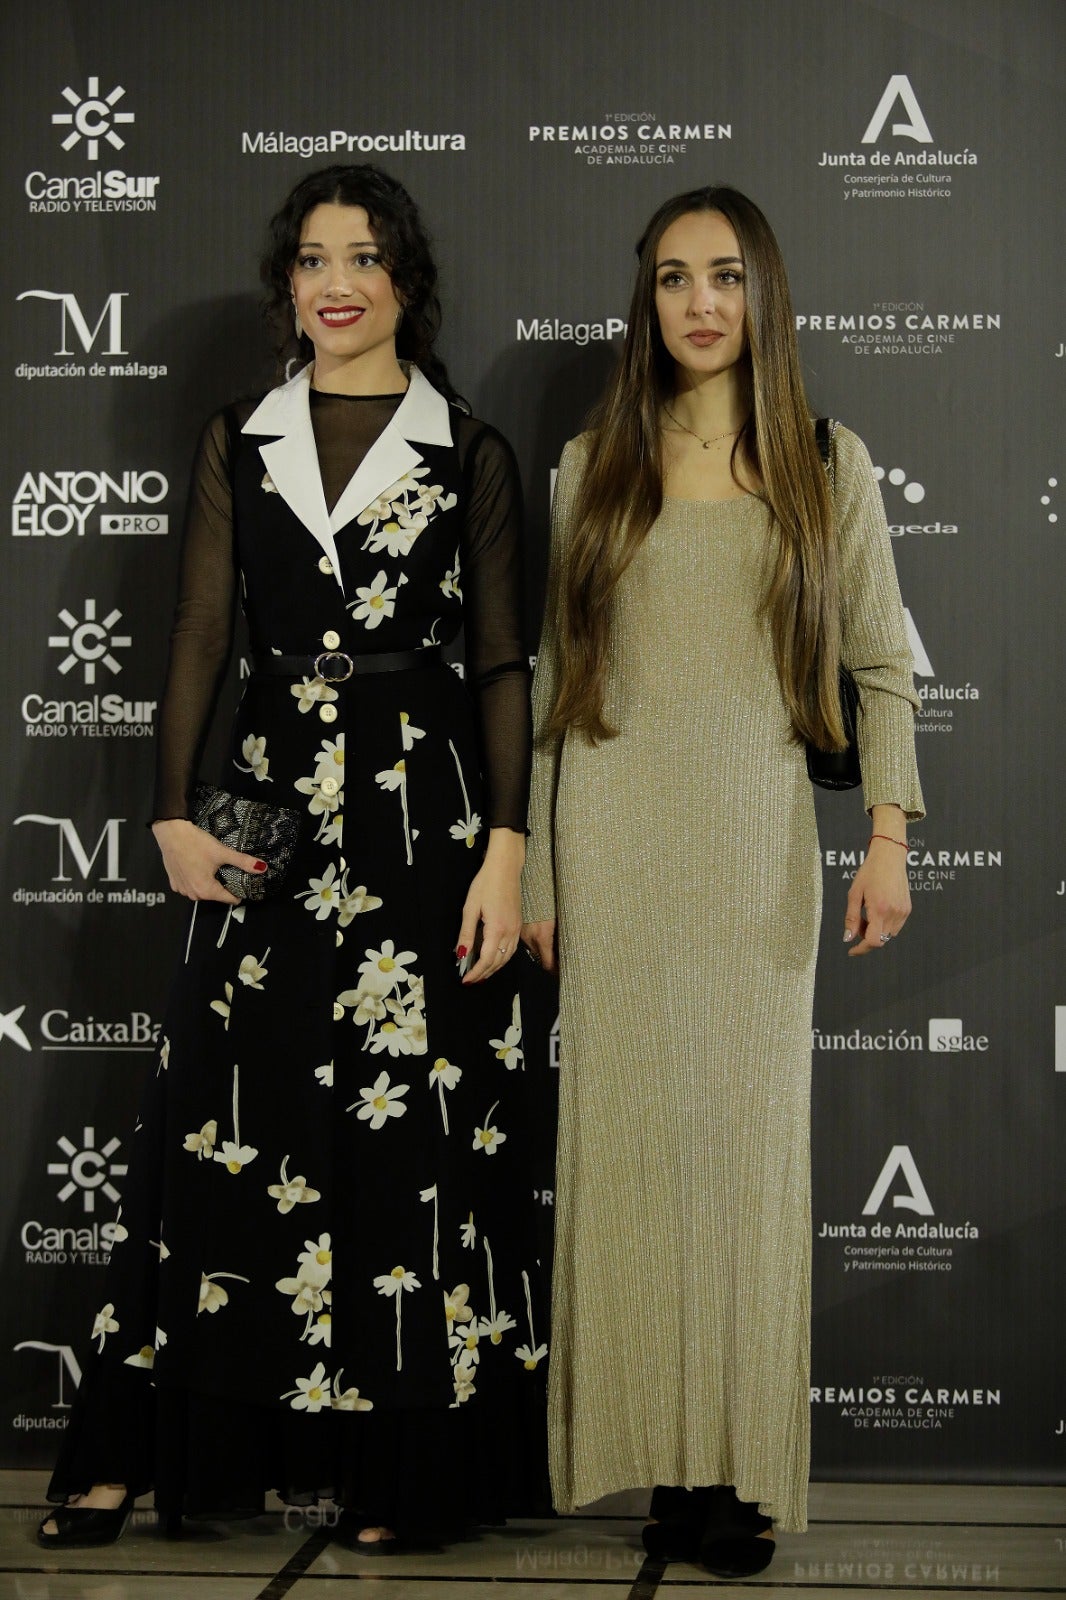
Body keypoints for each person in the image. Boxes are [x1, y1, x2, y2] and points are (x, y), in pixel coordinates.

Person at [40, 163, 546, 1551]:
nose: (337, 282)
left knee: (404, 1140)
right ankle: (137, 1450)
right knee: (219, 1122)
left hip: (420, 809)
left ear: (404, 283)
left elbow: (499, 664)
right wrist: (169, 814)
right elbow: (201, 636)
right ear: (287, 285)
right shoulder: (238, 439)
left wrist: (507, 848)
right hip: (265, 798)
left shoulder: (471, 453)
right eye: (314, 257)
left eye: (365, 257)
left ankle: (406, 1471)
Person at [521, 185, 923, 1579]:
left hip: (755, 850)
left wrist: (888, 835)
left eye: (728, 277)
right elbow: (554, 698)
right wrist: (540, 867)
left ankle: (736, 1471)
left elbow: (879, 663)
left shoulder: (825, 460)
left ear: (764, 297)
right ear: (646, 301)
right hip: (615, 849)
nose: (701, 302)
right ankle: (659, 1466)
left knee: (745, 1173)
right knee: (630, 1171)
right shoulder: (588, 470)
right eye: (677, 278)